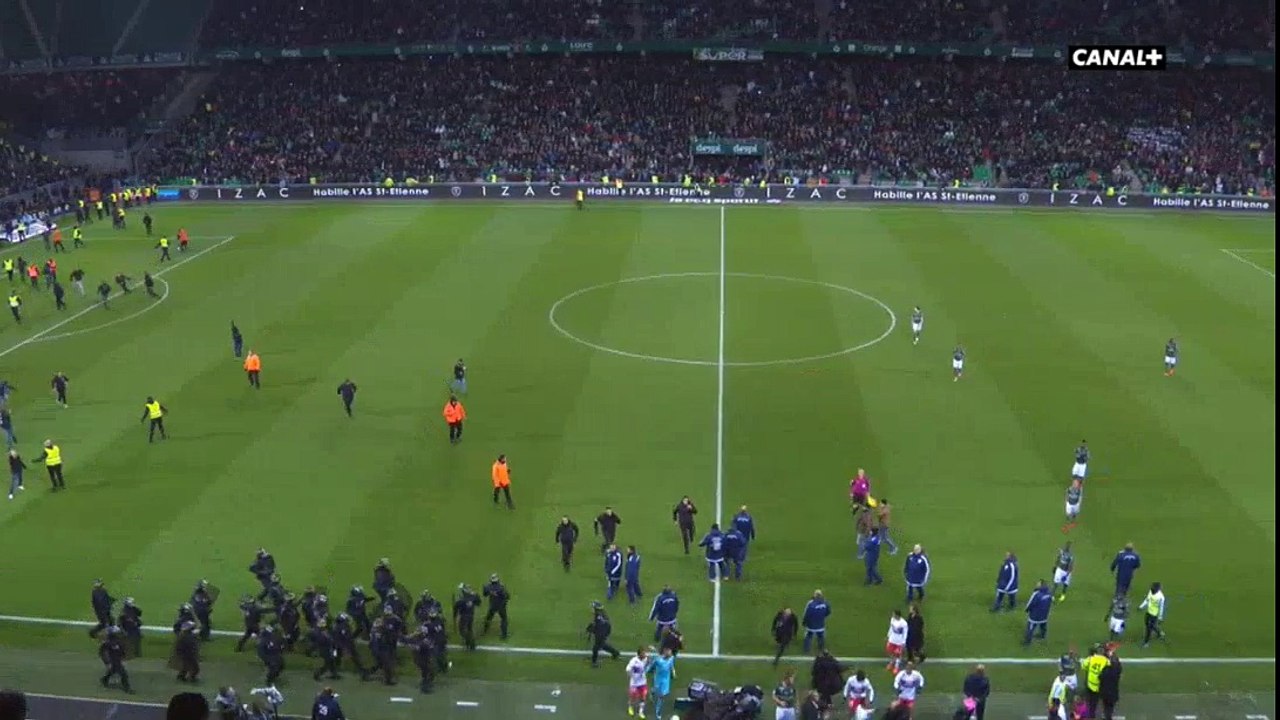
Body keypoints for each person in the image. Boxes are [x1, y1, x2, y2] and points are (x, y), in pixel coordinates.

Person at [586, 602, 620, 667]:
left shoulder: (597, 615)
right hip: (605, 631)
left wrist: (591, 629)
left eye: (593, 607)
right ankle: (615, 653)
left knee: (596, 648)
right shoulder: (602, 614)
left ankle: (594, 663)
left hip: (601, 633)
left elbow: (596, 626)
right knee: (602, 645)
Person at [482, 573, 510, 639]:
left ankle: (485, 630)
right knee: (504, 619)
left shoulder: (487, 587)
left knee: (488, 618)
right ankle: (504, 635)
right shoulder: (501, 587)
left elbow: (485, 594)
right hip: (501, 606)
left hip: (492, 606)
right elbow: (507, 596)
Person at [1138, 582, 1167, 646]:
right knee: (1147, 623)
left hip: (1154, 615)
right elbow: (1147, 599)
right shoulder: (1151, 591)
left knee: (1149, 628)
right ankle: (1159, 633)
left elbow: (1161, 607)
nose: (1152, 589)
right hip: (1148, 612)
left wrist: (1160, 617)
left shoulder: (1161, 597)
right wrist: (1141, 606)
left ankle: (1146, 642)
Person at [650, 646, 676, 719]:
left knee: (662, 696)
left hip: (666, 681)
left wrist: (673, 672)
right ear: (665, 652)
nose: (671, 653)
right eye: (669, 651)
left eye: (671, 651)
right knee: (656, 691)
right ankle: (652, 692)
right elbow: (652, 664)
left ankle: (657, 711)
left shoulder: (671, 658)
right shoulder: (659, 659)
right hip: (658, 679)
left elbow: (672, 665)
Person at [624, 647, 650, 717]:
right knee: (633, 697)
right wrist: (631, 676)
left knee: (643, 696)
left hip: (643, 682)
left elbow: (647, 664)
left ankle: (641, 711)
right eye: (643, 653)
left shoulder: (646, 659)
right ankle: (630, 707)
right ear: (639, 654)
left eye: (645, 653)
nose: (645, 654)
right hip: (634, 683)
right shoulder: (633, 661)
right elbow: (627, 669)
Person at [1098, 649, 1122, 720]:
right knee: (1110, 707)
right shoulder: (1117, 672)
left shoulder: (1105, 670)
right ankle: (1108, 716)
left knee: (1105, 706)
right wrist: (1112, 655)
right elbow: (1119, 666)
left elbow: (1100, 677)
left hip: (1105, 692)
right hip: (1113, 693)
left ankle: (1106, 715)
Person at [885, 610, 907, 674]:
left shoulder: (903, 623)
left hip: (899, 641)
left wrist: (903, 642)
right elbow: (891, 628)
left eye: (894, 614)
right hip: (892, 639)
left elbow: (905, 633)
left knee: (898, 654)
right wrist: (888, 636)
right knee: (889, 651)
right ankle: (892, 661)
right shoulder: (893, 620)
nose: (893, 615)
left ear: (897, 615)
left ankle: (896, 666)